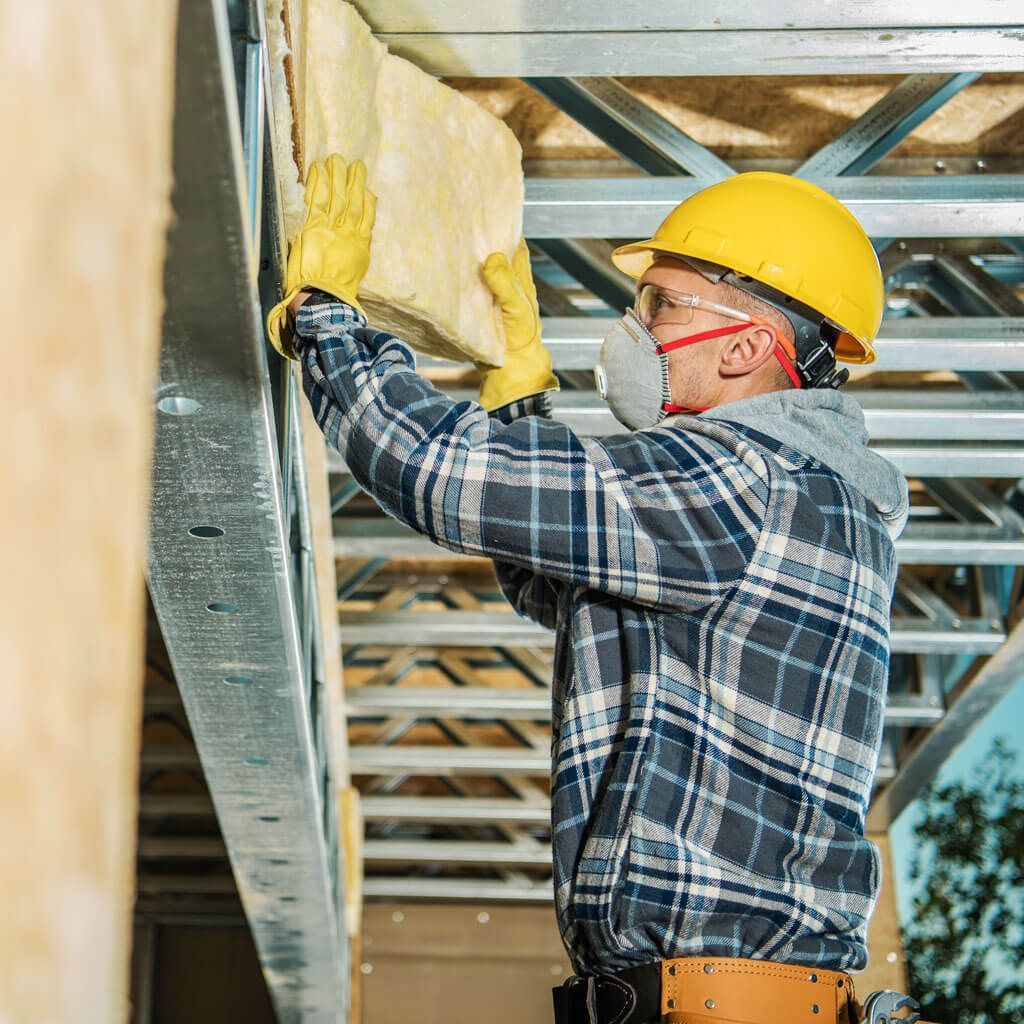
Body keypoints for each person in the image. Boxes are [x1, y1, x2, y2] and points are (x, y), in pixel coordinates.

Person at [266, 155, 912, 1024]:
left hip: (708, 1003)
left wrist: (329, 321)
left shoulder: (744, 477)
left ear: (748, 346)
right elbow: (573, 593)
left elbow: (437, 471)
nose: (636, 328)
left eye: (661, 305)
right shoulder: (804, 496)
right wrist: (522, 409)